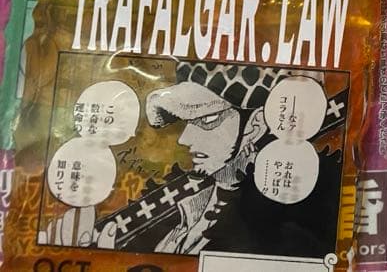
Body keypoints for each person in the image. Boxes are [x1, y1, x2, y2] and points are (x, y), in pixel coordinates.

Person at [39, 61, 342, 257]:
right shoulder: (186, 205)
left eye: (207, 120)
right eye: (185, 122)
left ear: (255, 125)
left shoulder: (295, 223)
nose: (184, 139)